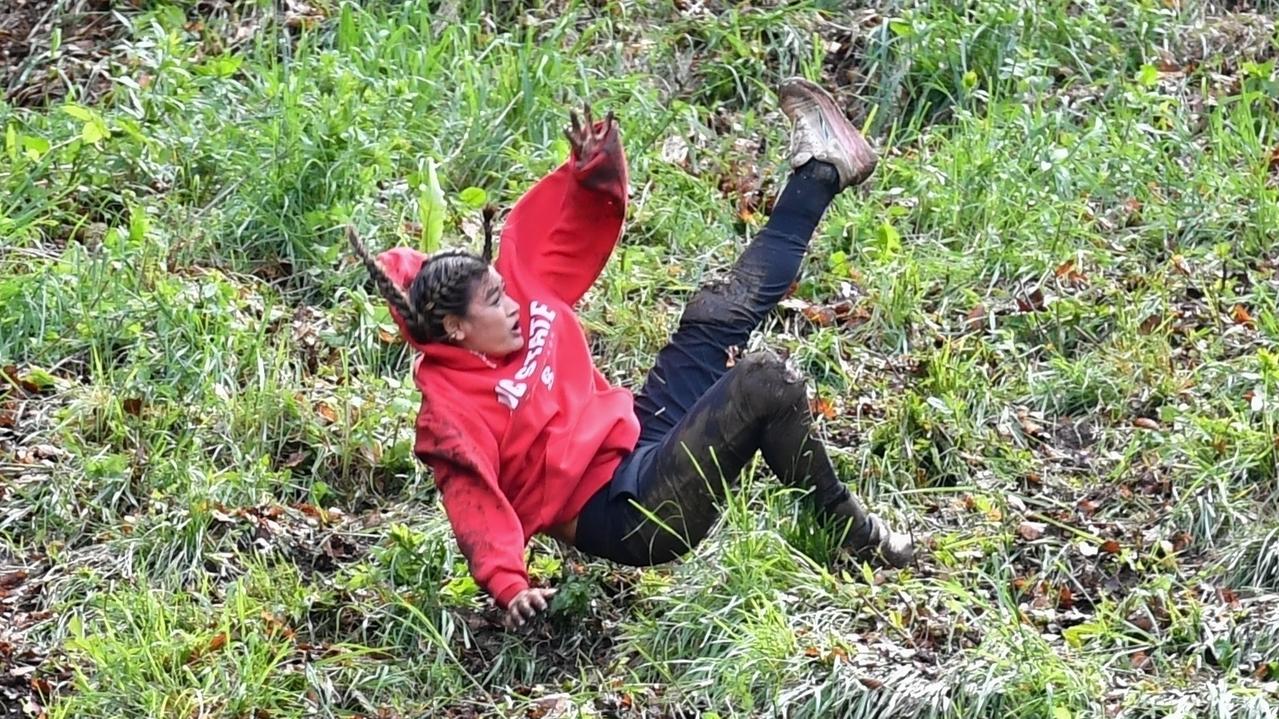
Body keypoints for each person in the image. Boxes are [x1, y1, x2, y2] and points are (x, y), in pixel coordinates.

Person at [349, 78, 914, 630]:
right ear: (455, 329)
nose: (513, 306)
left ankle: (821, 168)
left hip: (638, 437)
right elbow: (471, 498)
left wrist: (593, 169)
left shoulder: (521, 290)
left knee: (716, 314)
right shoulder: (449, 409)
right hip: (630, 515)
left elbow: (565, 225)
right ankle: (854, 534)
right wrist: (509, 583)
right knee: (764, 381)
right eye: (495, 303)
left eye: (503, 288)